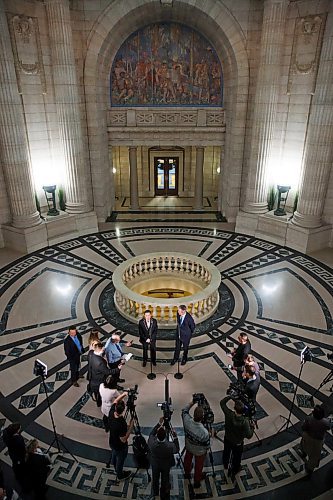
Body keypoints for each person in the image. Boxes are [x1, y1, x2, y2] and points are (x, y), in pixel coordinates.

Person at [220, 396, 254, 480]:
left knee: (226, 452)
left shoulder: (229, 414)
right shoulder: (245, 421)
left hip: (227, 439)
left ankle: (225, 463)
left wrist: (230, 396)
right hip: (238, 443)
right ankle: (235, 469)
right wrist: (252, 427)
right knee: (237, 457)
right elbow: (249, 435)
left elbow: (222, 403)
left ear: (234, 408)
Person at [148, 417, 179, 500]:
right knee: (165, 479)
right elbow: (177, 450)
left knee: (155, 478)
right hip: (166, 464)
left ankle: (155, 493)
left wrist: (159, 424)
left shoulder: (151, 442)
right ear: (166, 435)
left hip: (155, 463)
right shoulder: (170, 446)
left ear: (157, 435)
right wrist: (175, 437)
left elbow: (151, 434)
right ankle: (164, 495)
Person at [182, 400, 210, 488]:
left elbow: (184, 411)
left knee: (187, 458)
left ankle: (187, 473)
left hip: (189, 446)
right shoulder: (204, 432)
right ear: (202, 418)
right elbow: (207, 446)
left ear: (193, 415)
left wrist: (192, 402)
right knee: (198, 466)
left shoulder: (186, 420)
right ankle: (197, 481)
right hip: (199, 451)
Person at [300, 405, 330, 477]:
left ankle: (304, 453)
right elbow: (328, 428)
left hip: (308, 436)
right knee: (314, 457)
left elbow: (303, 428)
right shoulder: (325, 422)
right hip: (318, 441)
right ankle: (309, 471)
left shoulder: (309, 419)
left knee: (303, 445)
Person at [108, 399, 134, 481]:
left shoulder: (111, 412)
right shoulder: (121, 423)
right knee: (120, 460)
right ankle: (120, 475)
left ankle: (115, 466)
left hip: (112, 441)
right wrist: (130, 427)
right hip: (120, 446)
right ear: (123, 411)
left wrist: (124, 394)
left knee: (114, 454)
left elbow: (115, 400)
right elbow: (123, 439)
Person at [87, 342, 118, 407]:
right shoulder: (100, 362)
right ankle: (100, 403)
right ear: (100, 350)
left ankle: (98, 401)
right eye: (102, 349)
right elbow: (107, 372)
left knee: (96, 393)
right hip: (99, 380)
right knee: (100, 393)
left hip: (92, 377)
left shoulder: (91, 353)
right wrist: (118, 369)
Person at [2, 423, 26, 488]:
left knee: (15, 463)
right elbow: (22, 450)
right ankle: (20, 477)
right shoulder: (19, 439)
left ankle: (17, 473)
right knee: (19, 465)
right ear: (17, 430)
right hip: (18, 456)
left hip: (12, 452)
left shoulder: (6, 432)